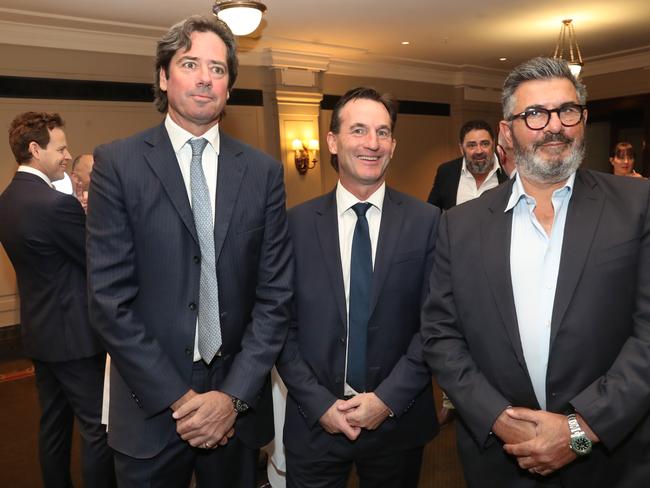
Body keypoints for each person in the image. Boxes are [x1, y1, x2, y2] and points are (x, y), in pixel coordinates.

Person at [421, 56, 650, 487]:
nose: (554, 126)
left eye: (567, 110)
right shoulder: (459, 226)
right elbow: (440, 335)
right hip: (502, 459)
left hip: (611, 459)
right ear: (506, 131)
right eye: (535, 114)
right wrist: (499, 420)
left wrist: (580, 431)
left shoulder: (637, 207)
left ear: (582, 119)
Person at [86, 15, 293, 487]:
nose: (205, 77)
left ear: (228, 86)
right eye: (190, 63)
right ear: (164, 76)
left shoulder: (263, 173)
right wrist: (181, 401)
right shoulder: (117, 164)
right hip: (149, 404)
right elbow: (108, 300)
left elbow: (276, 297)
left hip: (235, 408)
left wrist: (231, 398)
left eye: (218, 69)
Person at [277, 87, 440, 488]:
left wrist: (386, 401)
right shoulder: (292, 226)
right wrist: (320, 405)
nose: (372, 143)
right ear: (332, 141)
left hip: (397, 421)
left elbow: (436, 324)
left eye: (383, 132)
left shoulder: (429, 222)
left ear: (393, 145)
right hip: (315, 422)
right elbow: (278, 325)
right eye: (359, 130)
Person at [0, 111, 114, 488]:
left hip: (38, 333)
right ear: (35, 149)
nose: (67, 156)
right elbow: (95, 257)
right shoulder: (54, 204)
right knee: (98, 430)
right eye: (61, 148)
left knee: (53, 426)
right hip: (76, 339)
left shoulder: (7, 202)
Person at [427, 119, 508, 210]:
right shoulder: (446, 172)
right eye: (472, 145)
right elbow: (431, 213)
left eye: (485, 144)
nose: (479, 151)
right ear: (462, 149)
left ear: (493, 145)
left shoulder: (509, 171)